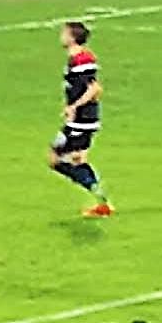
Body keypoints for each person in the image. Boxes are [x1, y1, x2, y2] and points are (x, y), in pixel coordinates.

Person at [50, 19, 111, 214]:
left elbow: (94, 89)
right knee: (77, 160)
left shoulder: (81, 59)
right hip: (84, 119)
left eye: (64, 33)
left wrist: (74, 107)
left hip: (82, 120)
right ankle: (101, 204)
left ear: (72, 37)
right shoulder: (78, 58)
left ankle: (97, 193)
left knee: (56, 158)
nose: (61, 36)